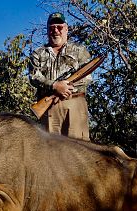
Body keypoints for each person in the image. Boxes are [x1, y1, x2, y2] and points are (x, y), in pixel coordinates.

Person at [29, 12, 92, 141]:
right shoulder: (37, 53)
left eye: (59, 27)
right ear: (47, 31)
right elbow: (34, 76)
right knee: (51, 153)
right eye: (52, 28)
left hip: (74, 104)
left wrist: (65, 89)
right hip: (48, 107)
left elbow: (87, 78)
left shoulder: (80, 50)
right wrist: (55, 86)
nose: (56, 31)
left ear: (66, 29)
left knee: (78, 151)